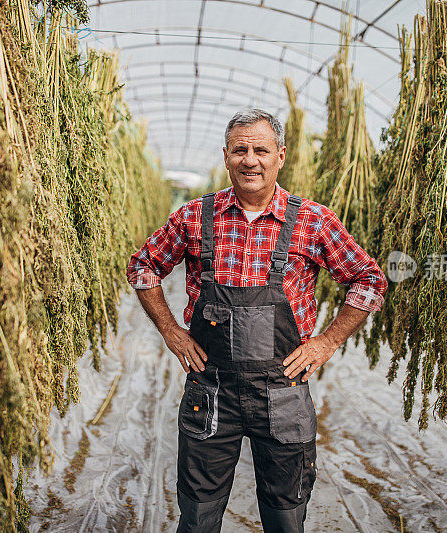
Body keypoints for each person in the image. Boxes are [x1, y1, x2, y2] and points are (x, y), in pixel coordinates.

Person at [127, 109, 387, 532]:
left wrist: (327, 342)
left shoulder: (312, 220)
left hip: (282, 394)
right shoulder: (196, 215)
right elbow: (143, 267)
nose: (251, 160)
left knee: (285, 521)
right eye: (240, 150)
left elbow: (369, 280)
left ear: (280, 156)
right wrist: (171, 332)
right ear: (225, 156)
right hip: (211, 393)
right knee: (197, 519)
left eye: (261, 150)